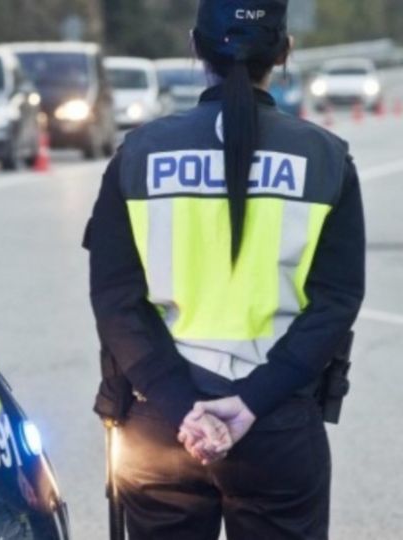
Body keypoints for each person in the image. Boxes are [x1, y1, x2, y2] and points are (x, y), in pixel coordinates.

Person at [85, 0, 365, 538]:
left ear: (196, 48)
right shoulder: (326, 159)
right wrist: (251, 402)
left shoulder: (138, 154)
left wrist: (181, 406)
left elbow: (115, 300)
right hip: (276, 423)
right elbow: (336, 303)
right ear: (283, 54)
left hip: (160, 425)